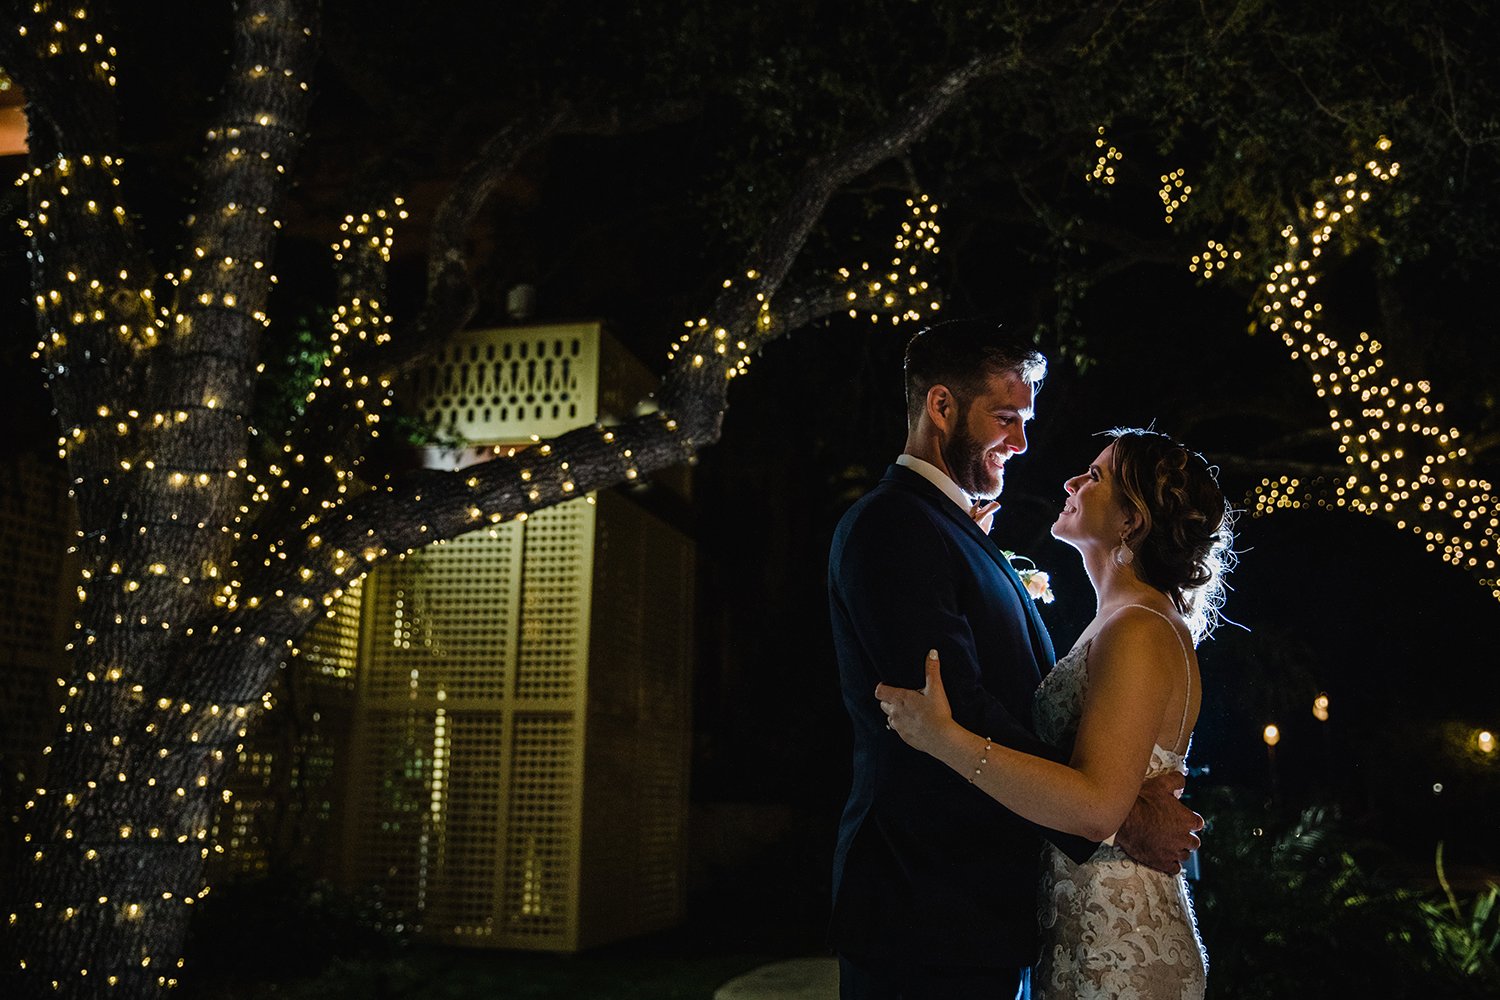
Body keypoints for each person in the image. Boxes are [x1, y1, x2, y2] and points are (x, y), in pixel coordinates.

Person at [828, 318, 1205, 1000]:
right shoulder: (894, 525)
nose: (1023, 443)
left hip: (982, 913)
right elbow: (953, 706)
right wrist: (1118, 813)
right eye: (1005, 417)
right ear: (941, 407)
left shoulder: (955, 531)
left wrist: (1105, 798)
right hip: (924, 908)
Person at [877, 428, 1235, 999]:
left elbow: (1095, 808)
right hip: (1080, 923)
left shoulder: (1138, 629)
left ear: (1131, 522)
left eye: (1094, 477)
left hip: (1119, 944)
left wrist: (943, 738)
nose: (1070, 482)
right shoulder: (1120, 622)